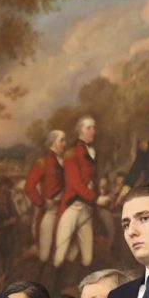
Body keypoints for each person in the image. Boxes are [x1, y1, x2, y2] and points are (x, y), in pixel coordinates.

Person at [55, 116, 98, 273]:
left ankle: (81, 292)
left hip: (86, 208)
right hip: (72, 206)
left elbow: (94, 180)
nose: (93, 131)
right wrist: (96, 198)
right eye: (89, 128)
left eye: (94, 127)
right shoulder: (71, 152)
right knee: (60, 255)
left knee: (87, 258)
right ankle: (52, 289)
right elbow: (74, 183)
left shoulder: (92, 152)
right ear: (80, 130)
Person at [24, 129, 65, 264]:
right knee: (45, 253)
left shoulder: (67, 162)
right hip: (51, 209)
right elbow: (29, 187)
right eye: (62, 141)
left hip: (66, 207)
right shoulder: (42, 162)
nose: (65, 144)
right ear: (53, 143)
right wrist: (42, 203)